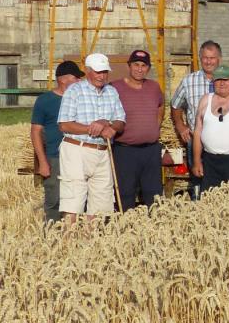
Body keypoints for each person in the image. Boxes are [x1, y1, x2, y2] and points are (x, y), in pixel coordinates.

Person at [171, 40, 229, 199]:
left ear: (219, 58)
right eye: (205, 57)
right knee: (202, 188)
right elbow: (176, 106)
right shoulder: (191, 83)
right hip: (204, 151)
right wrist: (180, 125)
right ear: (200, 58)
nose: (208, 61)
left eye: (212, 58)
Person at [56, 53, 126, 224]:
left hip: (103, 151)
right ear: (88, 71)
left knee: (101, 203)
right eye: (97, 72)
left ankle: (91, 245)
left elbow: (120, 121)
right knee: (73, 200)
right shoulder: (75, 90)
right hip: (77, 149)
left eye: (104, 72)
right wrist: (91, 128)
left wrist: (111, 127)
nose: (101, 76)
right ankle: (68, 243)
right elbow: (64, 124)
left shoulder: (111, 91)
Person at [109, 50, 164, 209]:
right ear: (129, 66)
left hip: (151, 150)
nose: (140, 69)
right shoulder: (115, 87)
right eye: (136, 65)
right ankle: (126, 228)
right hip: (125, 151)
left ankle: (155, 229)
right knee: (125, 193)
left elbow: (161, 105)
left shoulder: (153, 87)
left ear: (148, 68)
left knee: (154, 194)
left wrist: (156, 124)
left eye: (143, 65)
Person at [31, 60, 84, 223]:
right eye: (77, 78)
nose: (80, 81)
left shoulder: (82, 99)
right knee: (54, 200)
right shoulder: (45, 101)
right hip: (55, 158)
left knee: (79, 200)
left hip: (80, 156)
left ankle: (75, 237)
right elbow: (35, 132)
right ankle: (52, 241)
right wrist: (43, 162)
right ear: (64, 79)